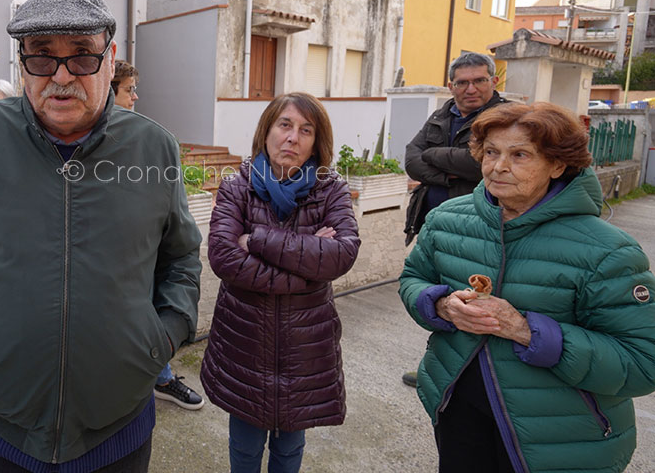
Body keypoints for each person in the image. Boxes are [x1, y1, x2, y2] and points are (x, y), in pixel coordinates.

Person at [0, 0, 202, 473]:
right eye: (41, 57)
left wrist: (163, 336)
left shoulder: (154, 149)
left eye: (81, 56)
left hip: (117, 429)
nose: (60, 76)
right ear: (22, 63)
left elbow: (181, 255)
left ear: (110, 57)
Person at [398, 101, 655, 473]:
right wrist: (438, 304)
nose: (499, 166)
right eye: (491, 152)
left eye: (520, 154)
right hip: (458, 410)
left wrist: (524, 329)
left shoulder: (608, 251)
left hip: (561, 436)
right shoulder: (446, 221)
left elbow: (643, 362)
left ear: (557, 164)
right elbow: (413, 279)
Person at [202, 92, 361, 473]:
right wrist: (308, 264)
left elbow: (342, 254)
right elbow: (224, 257)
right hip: (244, 338)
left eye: (306, 130)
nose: (293, 138)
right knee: (244, 444)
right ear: (267, 130)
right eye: (285, 125)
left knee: (291, 445)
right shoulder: (237, 184)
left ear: (316, 142)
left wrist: (258, 241)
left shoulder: (329, 188)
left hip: (305, 344)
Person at [400, 52, 507, 388]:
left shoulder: (503, 118)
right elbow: (411, 159)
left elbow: (479, 165)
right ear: (451, 85)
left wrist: (434, 158)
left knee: (473, 298)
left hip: (478, 226)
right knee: (437, 297)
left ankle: (472, 377)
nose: (470, 88)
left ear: (494, 81)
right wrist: (447, 175)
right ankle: (437, 367)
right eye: (462, 82)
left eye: (479, 80)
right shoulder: (440, 115)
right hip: (433, 224)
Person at [113, 58, 202, 409]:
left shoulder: (148, 142)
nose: (135, 97)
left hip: (146, 252)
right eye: (129, 90)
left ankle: (161, 376)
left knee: (151, 313)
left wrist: (170, 333)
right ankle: (160, 376)